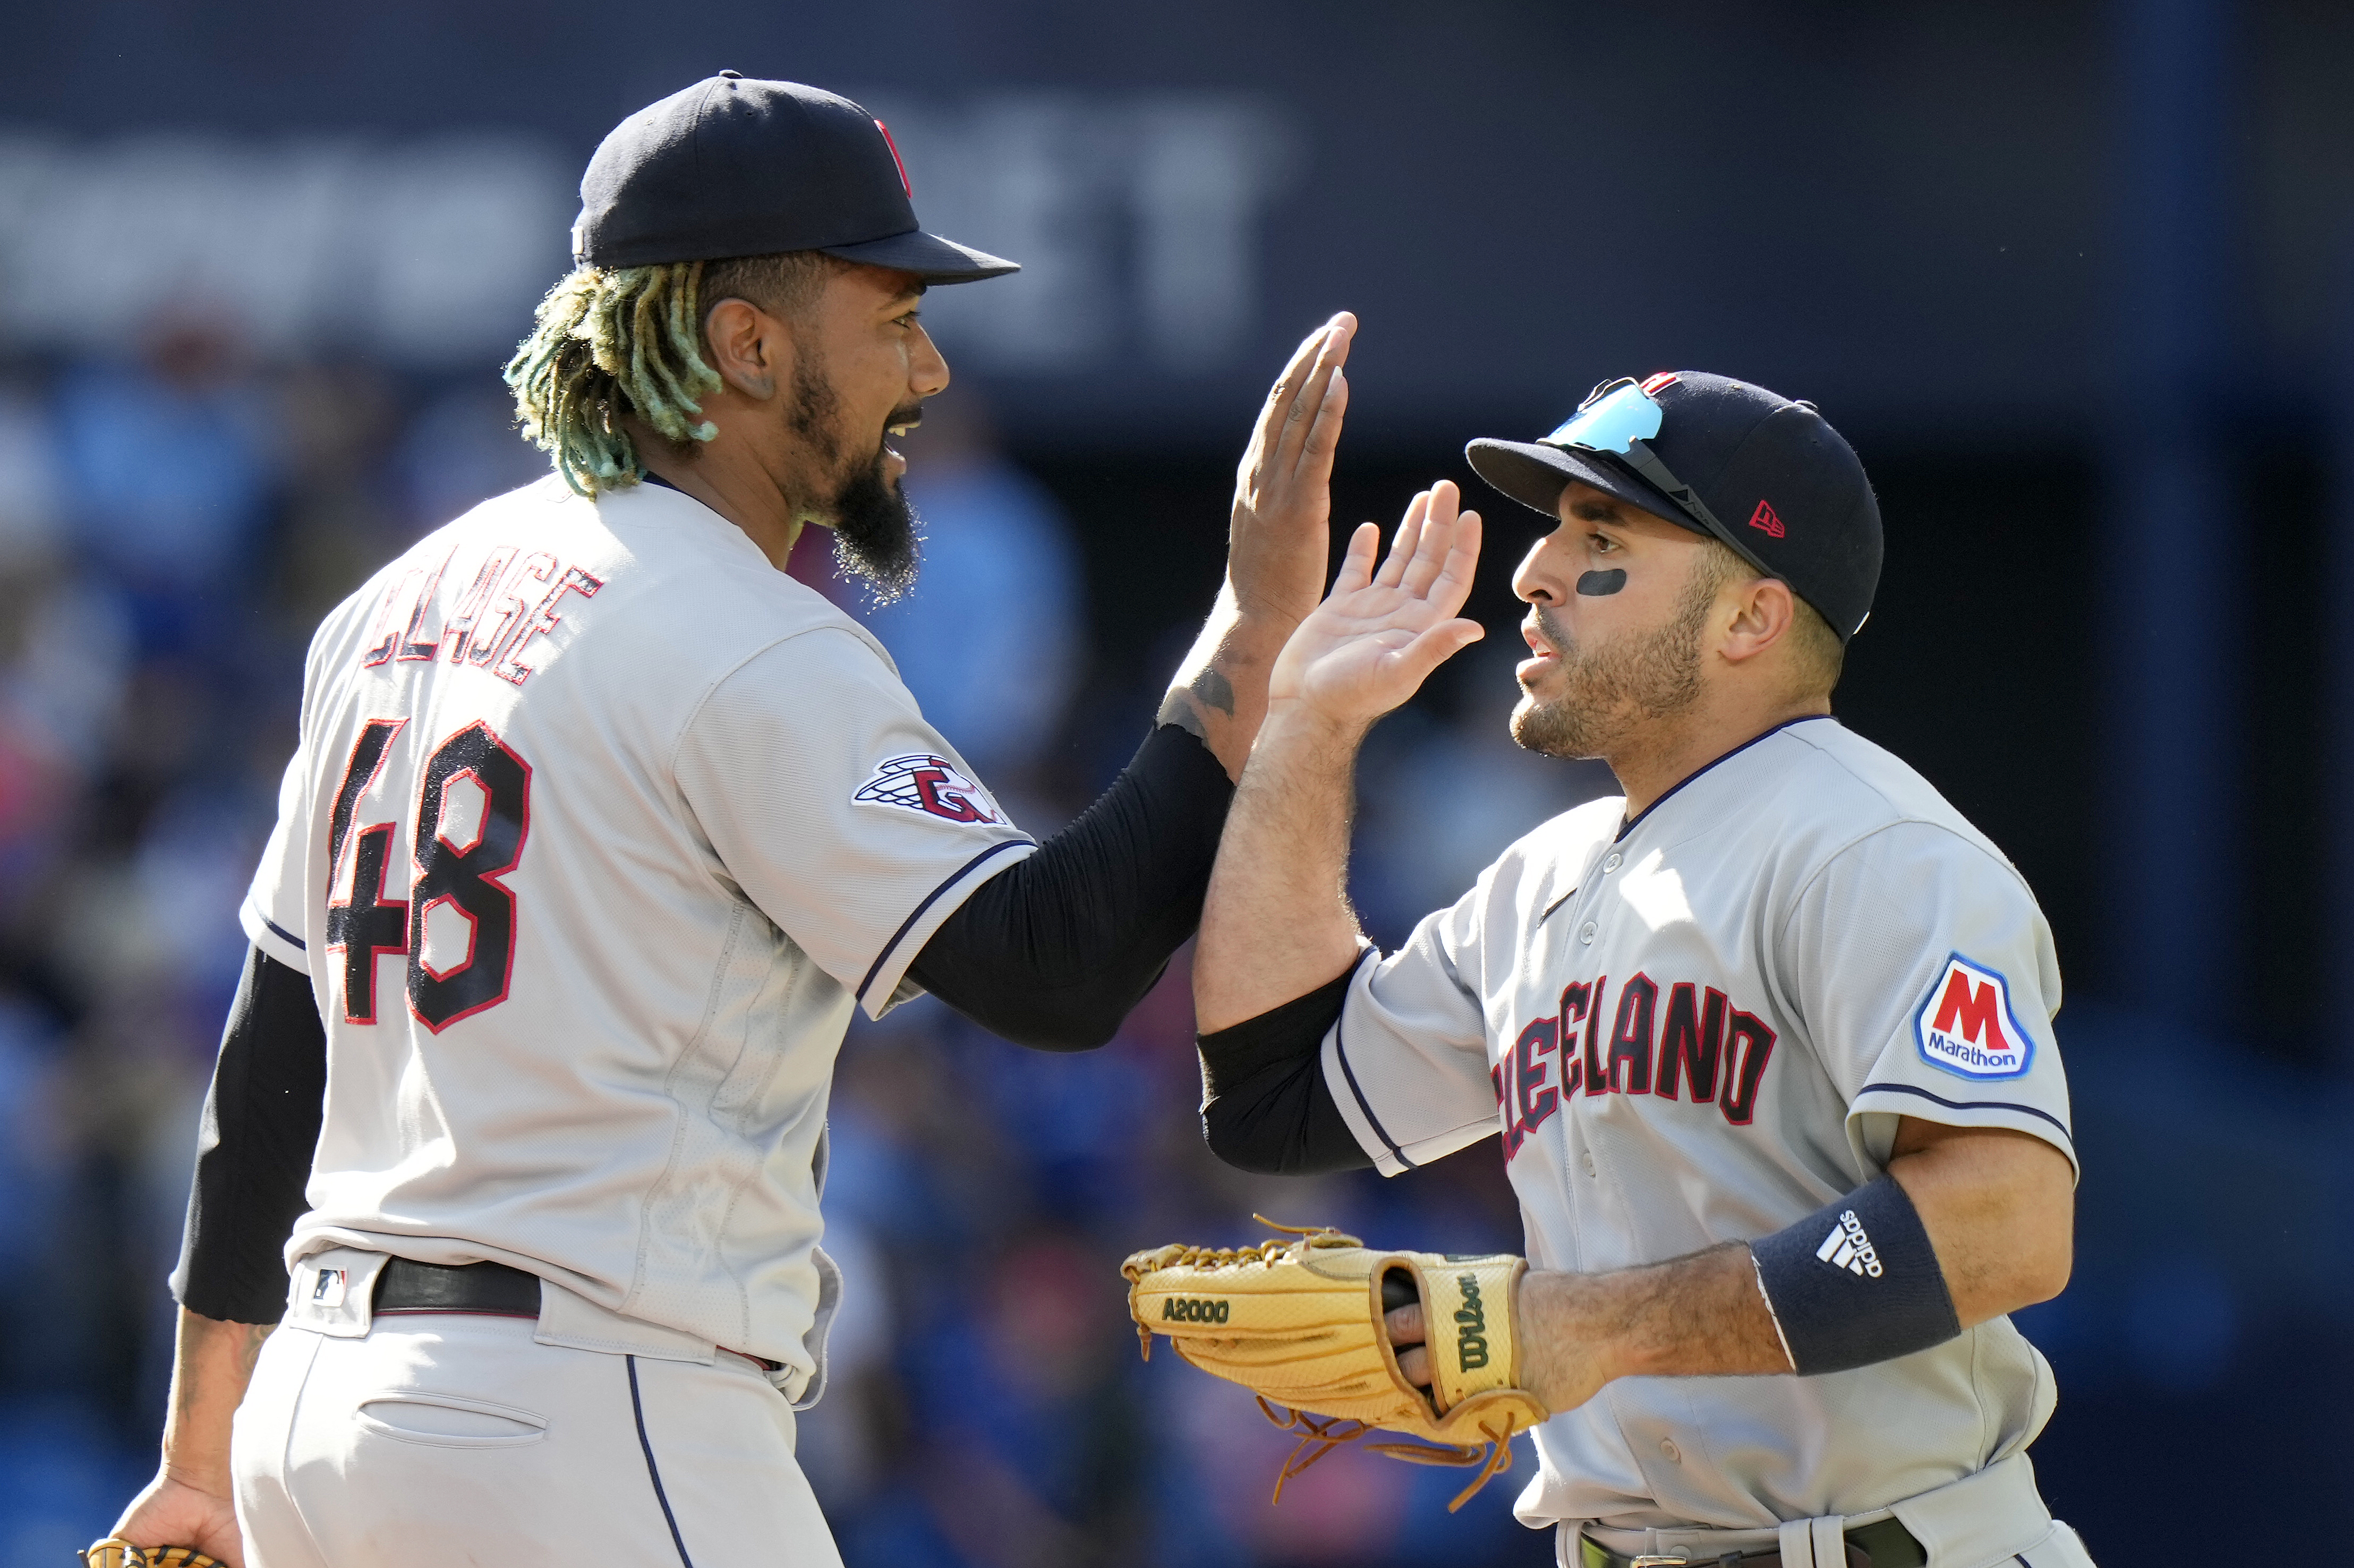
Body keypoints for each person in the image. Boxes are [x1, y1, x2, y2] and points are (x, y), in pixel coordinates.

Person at [104, 75, 1354, 1568]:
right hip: (582, 1418)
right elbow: (1058, 966)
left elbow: (269, 1064)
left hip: (317, 1425)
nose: (932, 368)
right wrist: (1249, 633)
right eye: (893, 315)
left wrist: (199, 1453)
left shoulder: (394, 604)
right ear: (746, 345)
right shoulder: (746, 638)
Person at [1190, 372, 2095, 1566]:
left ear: (1747, 620)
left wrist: (1593, 1326)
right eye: (1556, 526)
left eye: (1601, 535)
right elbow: (1272, 1098)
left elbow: (2006, 1225)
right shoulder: (1538, 881)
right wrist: (1307, 724)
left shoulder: (1875, 850)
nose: (1533, 571)